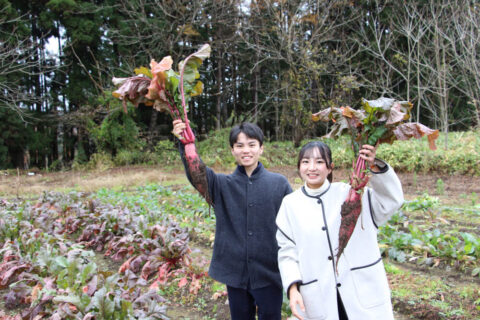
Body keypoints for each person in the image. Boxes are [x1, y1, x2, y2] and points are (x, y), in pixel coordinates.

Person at [172, 119, 292, 320]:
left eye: (252, 145)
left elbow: (294, 222)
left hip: (269, 272)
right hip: (236, 274)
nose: (246, 150)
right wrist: (185, 143)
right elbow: (197, 174)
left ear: (261, 148)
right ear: (232, 150)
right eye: (240, 145)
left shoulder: (278, 184)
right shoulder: (221, 184)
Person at [276, 141, 404, 320]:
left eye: (319, 162)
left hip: (362, 291)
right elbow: (287, 252)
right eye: (305, 162)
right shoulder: (290, 205)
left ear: (330, 168)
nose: (312, 167)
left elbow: (391, 201)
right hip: (319, 294)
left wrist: (375, 165)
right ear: (299, 167)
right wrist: (292, 288)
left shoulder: (352, 194)